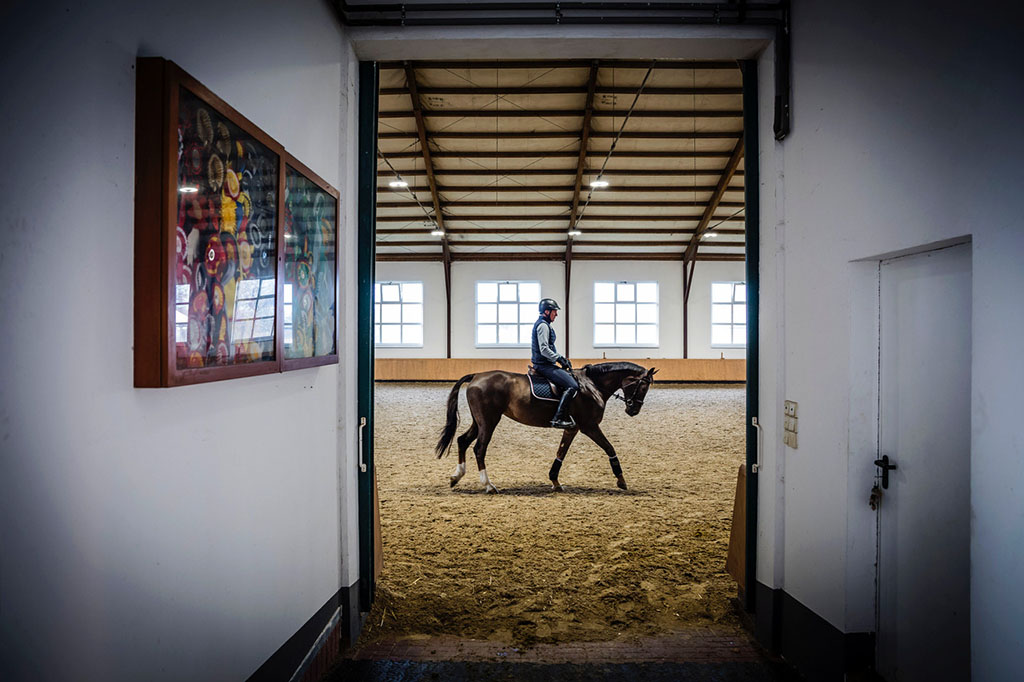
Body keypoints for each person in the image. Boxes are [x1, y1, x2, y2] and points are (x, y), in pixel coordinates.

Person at [532, 298, 579, 429]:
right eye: (554, 311)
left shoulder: (545, 325)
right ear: (546, 311)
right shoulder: (542, 326)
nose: (556, 314)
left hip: (546, 363)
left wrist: (562, 359)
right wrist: (558, 358)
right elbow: (544, 349)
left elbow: (550, 347)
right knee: (572, 385)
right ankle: (559, 418)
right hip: (543, 365)